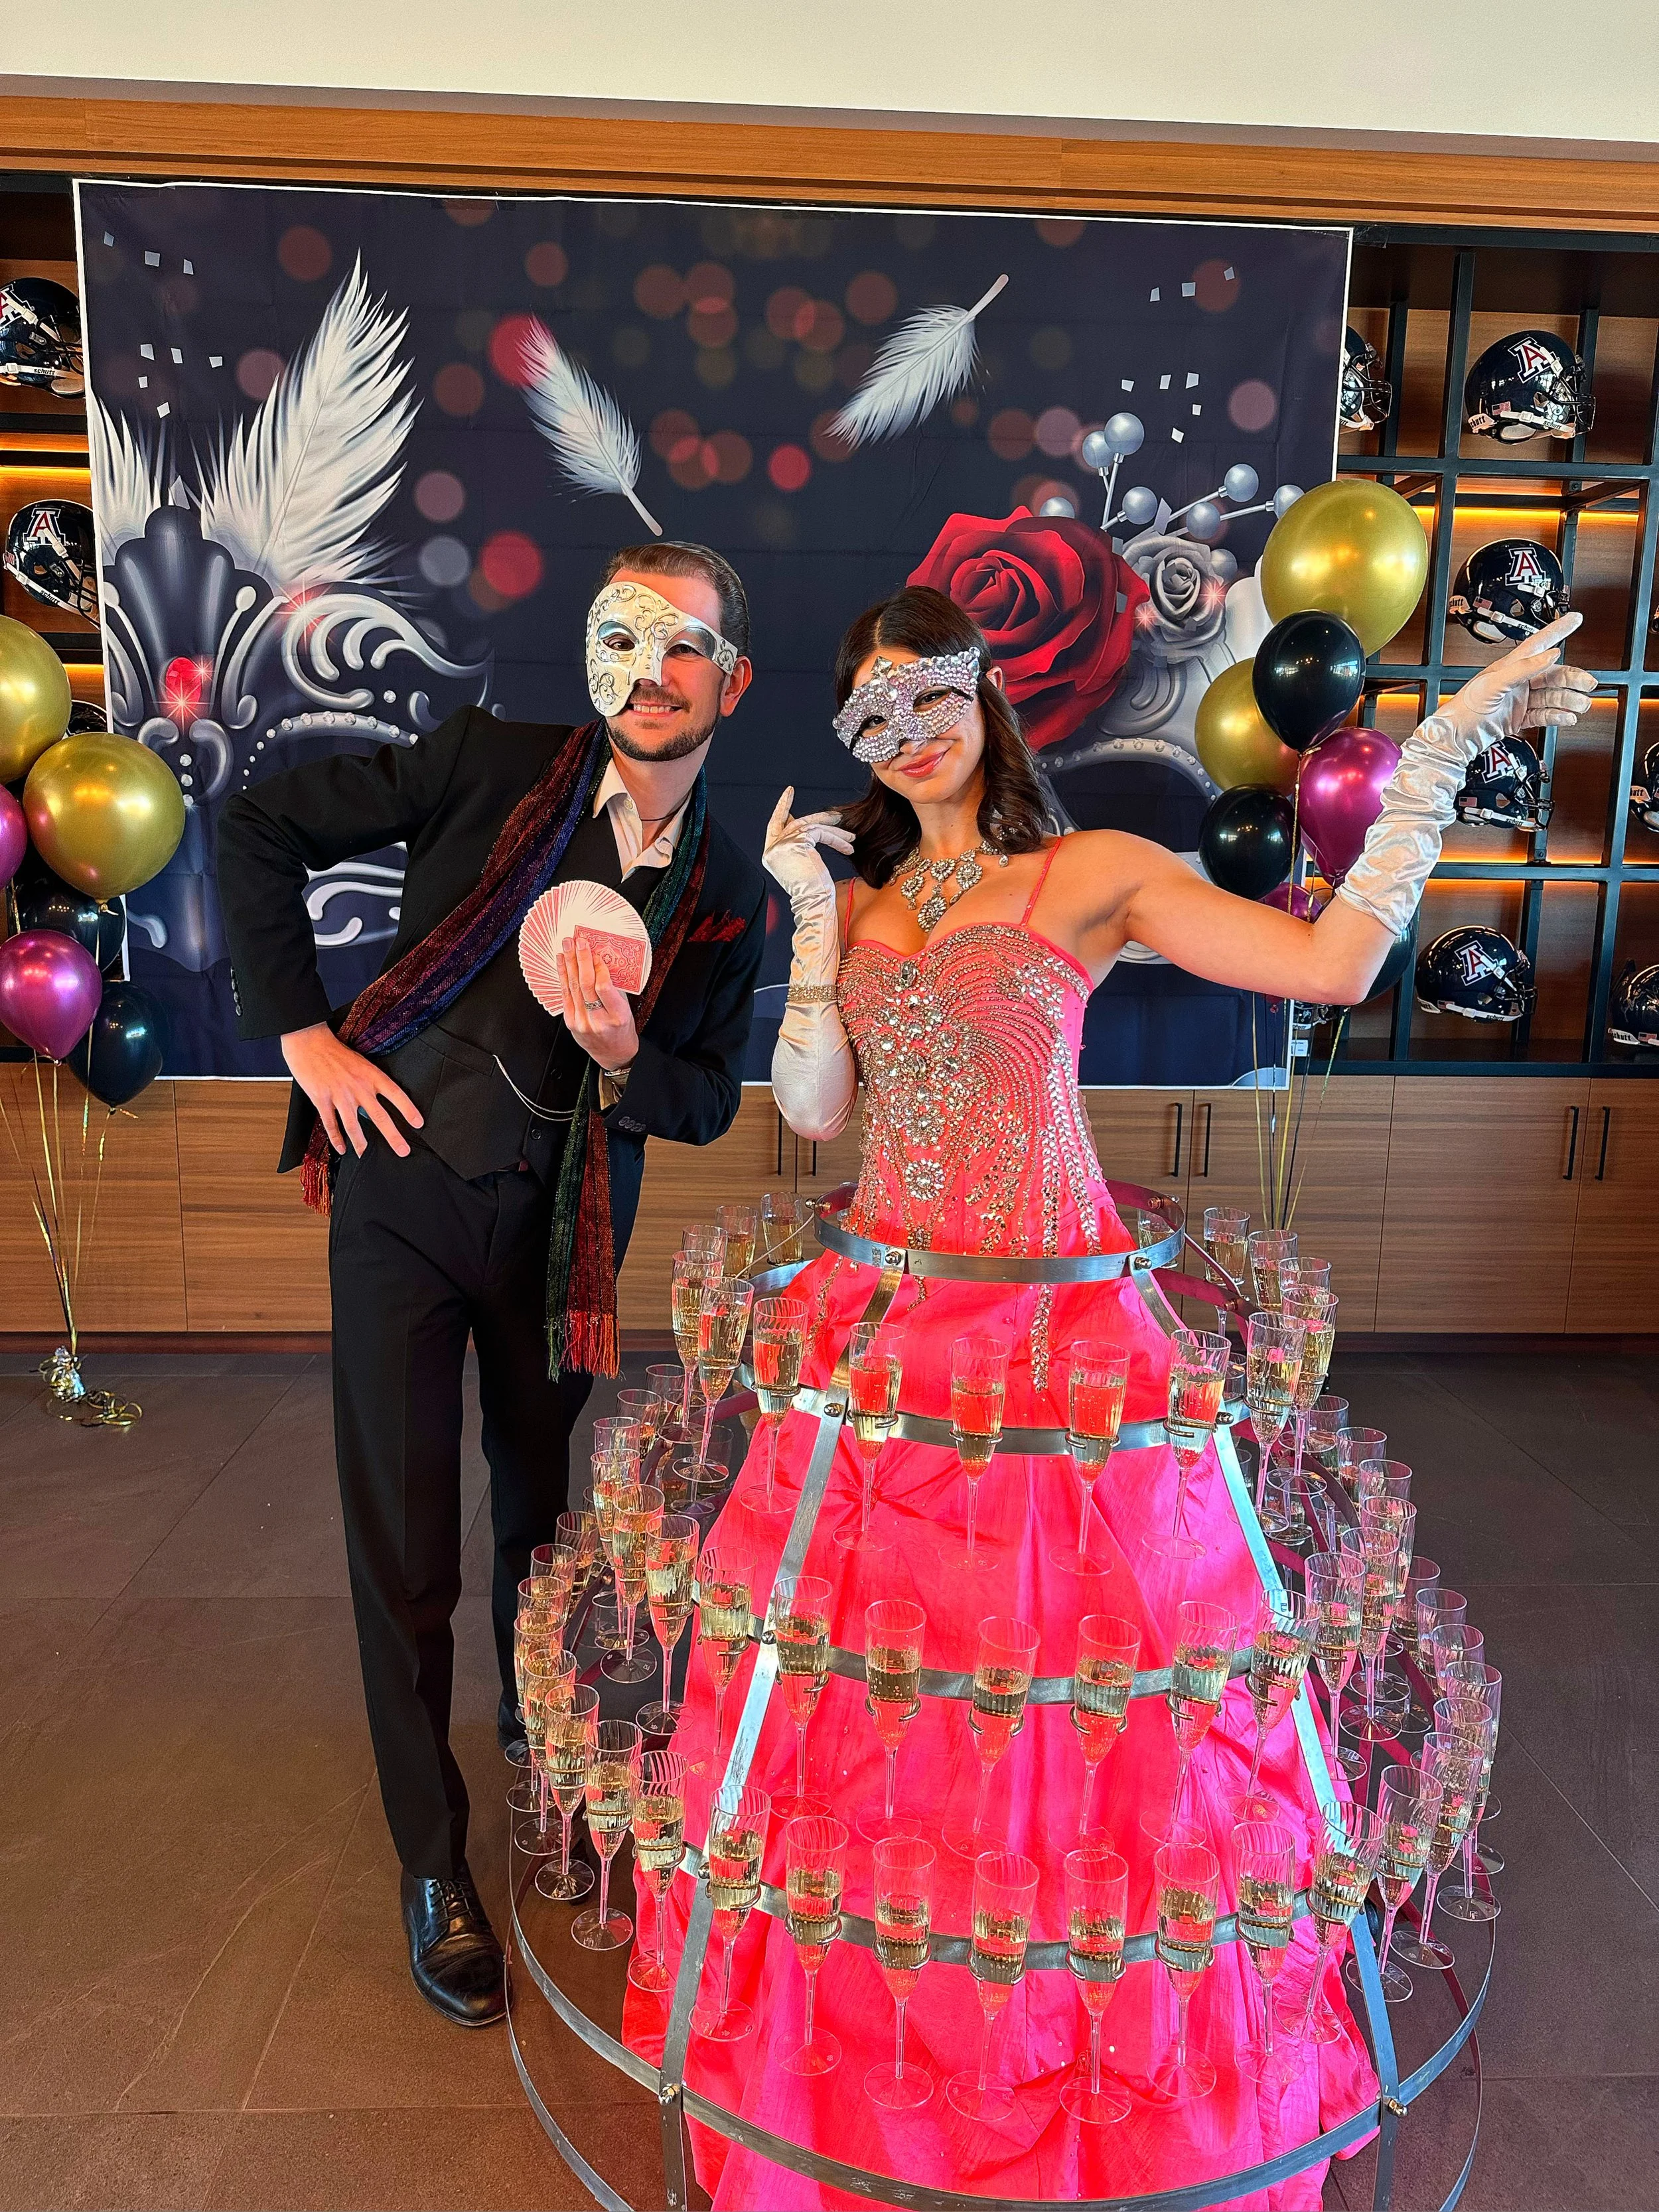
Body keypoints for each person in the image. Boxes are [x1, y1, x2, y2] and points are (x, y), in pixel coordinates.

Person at [624, 588, 1590, 2205]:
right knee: (866, 1714)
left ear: (981, 692)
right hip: (881, 1334)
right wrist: (806, 922)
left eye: (926, 691)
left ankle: (1090, 2066)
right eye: (868, 710)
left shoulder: (1086, 873)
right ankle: (877, 2071)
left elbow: (1334, 964)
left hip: (1061, 1350)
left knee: (1091, 1716)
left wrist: (1441, 744)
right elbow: (808, 1115)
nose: (905, 730)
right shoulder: (864, 901)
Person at [216, 542, 767, 2028]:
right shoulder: (491, 761)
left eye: (683, 651)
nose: (649, 681)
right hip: (397, 1196)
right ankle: (428, 1857)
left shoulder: (727, 885)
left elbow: (708, 1095)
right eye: (622, 642)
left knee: (539, 1512)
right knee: (403, 1539)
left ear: (731, 678)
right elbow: (255, 819)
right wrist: (307, 1040)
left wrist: (623, 1063)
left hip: (557, 1237)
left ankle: (541, 1731)